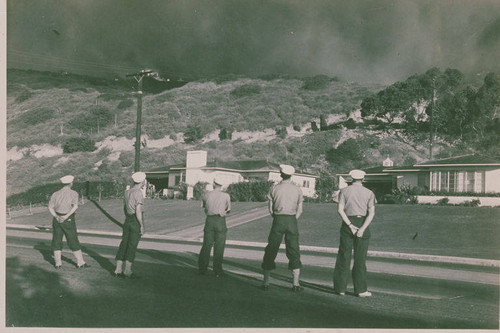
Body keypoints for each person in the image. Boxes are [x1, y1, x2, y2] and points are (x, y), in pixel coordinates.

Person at [333, 169, 376, 298]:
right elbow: (372, 213)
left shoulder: (344, 191)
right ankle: (361, 290)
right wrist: (362, 229)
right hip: (363, 222)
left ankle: (340, 289)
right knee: (360, 259)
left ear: (351, 179)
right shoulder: (369, 193)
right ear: (363, 179)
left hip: (348, 223)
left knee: (343, 256)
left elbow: (340, 210)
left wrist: (350, 225)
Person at [261, 164, 304, 292]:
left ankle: (266, 282)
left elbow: (270, 208)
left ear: (281, 174)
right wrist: (291, 219)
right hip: (291, 220)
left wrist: (278, 218)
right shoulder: (297, 189)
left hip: (278, 220)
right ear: (291, 175)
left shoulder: (274, 188)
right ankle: (295, 284)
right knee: (294, 249)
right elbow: (300, 210)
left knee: (271, 249)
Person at [48, 175, 89, 269]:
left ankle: (58, 264)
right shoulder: (73, 193)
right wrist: (65, 216)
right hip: (68, 219)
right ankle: (80, 263)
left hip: (56, 219)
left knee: (56, 240)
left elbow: (50, 207)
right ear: (71, 183)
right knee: (73, 240)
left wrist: (56, 216)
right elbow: (75, 206)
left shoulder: (55, 193)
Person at [114, 172, 147, 279]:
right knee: (132, 246)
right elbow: (138, 210)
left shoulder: (127, 192)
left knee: (124, 244)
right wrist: (141, 225)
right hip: (135, 220)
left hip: (127, 220)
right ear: (142, 181)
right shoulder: (139, 193)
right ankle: (127, 271)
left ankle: (118, 269)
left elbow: (125, 207)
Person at [198, 176, 231, 277]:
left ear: (213, 184)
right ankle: (217, 270)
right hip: (220, 220)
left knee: (207, 245)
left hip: (210, 220)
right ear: (221, 186)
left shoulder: (206, 195)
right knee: (219, 246)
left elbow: (203, 206)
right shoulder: (226, 196)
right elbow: (228, 209)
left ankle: (202, 268)